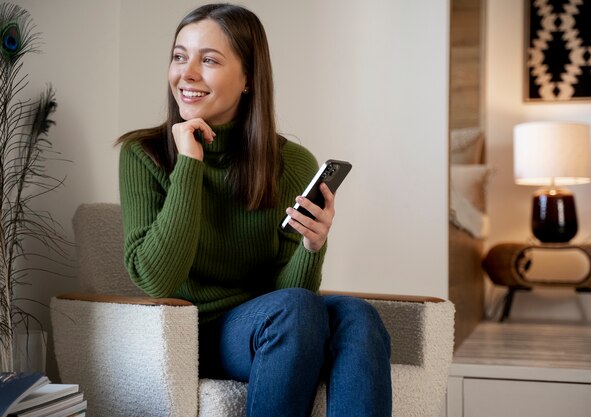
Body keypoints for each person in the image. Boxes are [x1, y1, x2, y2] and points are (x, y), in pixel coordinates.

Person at [117, 3, 391, 416]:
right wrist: (190, 163)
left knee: (357, 315)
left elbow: (292, 296)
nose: (186, 73)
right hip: (195, 332)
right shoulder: (144, 154)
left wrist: (311, 247)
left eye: (208, 60)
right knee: (295, 312)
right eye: (179, 56)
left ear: (248, 79)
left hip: (275, 323)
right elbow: (157, 280)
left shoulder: (291, 163)